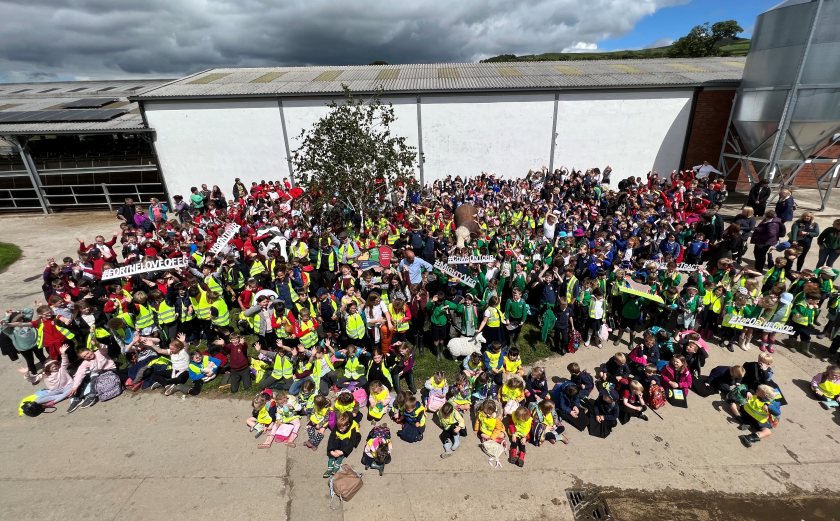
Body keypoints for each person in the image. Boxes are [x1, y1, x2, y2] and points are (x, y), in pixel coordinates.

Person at [325, 412, 361, 478]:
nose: (340, 430)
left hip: (349, 439)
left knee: (346, 441)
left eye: (342, 428)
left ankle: (340, 458)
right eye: (339, 428)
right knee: (334, 440)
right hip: (341, 438)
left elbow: (352, 442)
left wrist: (342, 452)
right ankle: (331, 461)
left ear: (348, 425)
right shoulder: (338, 425)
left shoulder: (352, 427)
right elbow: (331, 438)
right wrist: (331, 451)